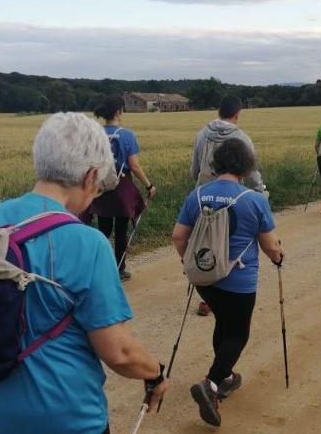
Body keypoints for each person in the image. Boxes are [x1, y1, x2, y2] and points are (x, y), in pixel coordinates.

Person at [0, 112, 168, 434]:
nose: (93, 198)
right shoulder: (88, 243)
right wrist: (154, 374)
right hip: (65, 420)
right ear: (89, 178)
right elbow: (120, 352)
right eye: (97, 189)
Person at [172, 138, 285, 427]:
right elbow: (270, 245)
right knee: (238, 334)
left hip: (205, 278)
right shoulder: (255, 200)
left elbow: (178, 236)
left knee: (223, 323)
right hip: (239, 280)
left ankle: (225, 377)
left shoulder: (197, 195)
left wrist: (190, 265)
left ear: (217, 162)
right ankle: (210, 384)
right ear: (245, 165)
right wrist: (278, 255)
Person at [191, 95, 267, 316]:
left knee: (203, 246)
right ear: (237, 114)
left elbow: (194, 171)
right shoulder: (242, 138)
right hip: (234, 198)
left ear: (218, 112)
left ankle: (206, 295)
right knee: (230, 245)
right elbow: (251, 173)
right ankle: (222, 294)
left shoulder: (201, 134)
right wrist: (259, 191)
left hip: (202, 198)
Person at [81, 94, 156, 281]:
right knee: (121, 231)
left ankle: (94, 264)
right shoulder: (127, 135)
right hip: (121, 187)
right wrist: (149, 185)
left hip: (100, 186)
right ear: (118, 111)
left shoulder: (94, 134)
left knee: (104, 229)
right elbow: (134, 165)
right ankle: (119, 269)